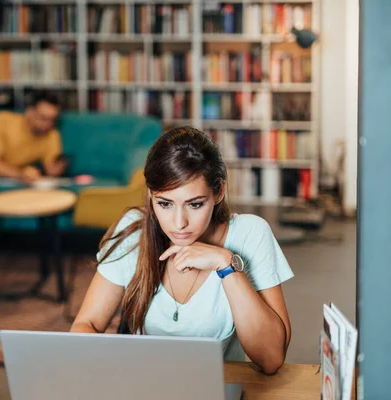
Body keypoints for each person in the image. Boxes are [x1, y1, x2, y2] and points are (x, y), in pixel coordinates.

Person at [70, 126, 293, 375]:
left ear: (219, 191)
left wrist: (226, 265)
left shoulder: (250, 233)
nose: (179, 223)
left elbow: (271, 359)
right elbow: (86, 324)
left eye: (195, 204)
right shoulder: (135, 232)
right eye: (164, 203)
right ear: (151, 195)